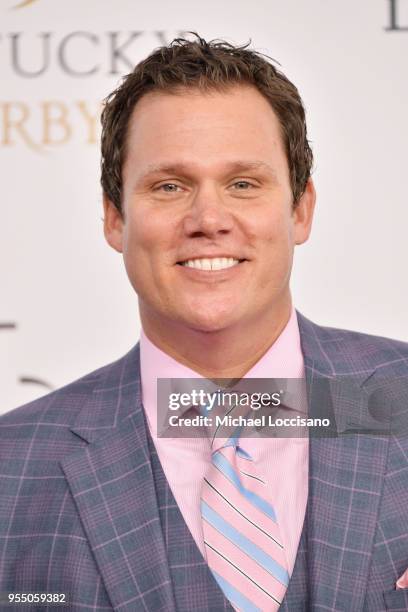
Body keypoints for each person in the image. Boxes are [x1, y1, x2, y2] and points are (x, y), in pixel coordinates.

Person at [1, 33, 408, 612]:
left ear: (300, 209)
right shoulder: (9, 467)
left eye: (243, 183)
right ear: (115, 218)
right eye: (169, 186)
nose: (209, 218)